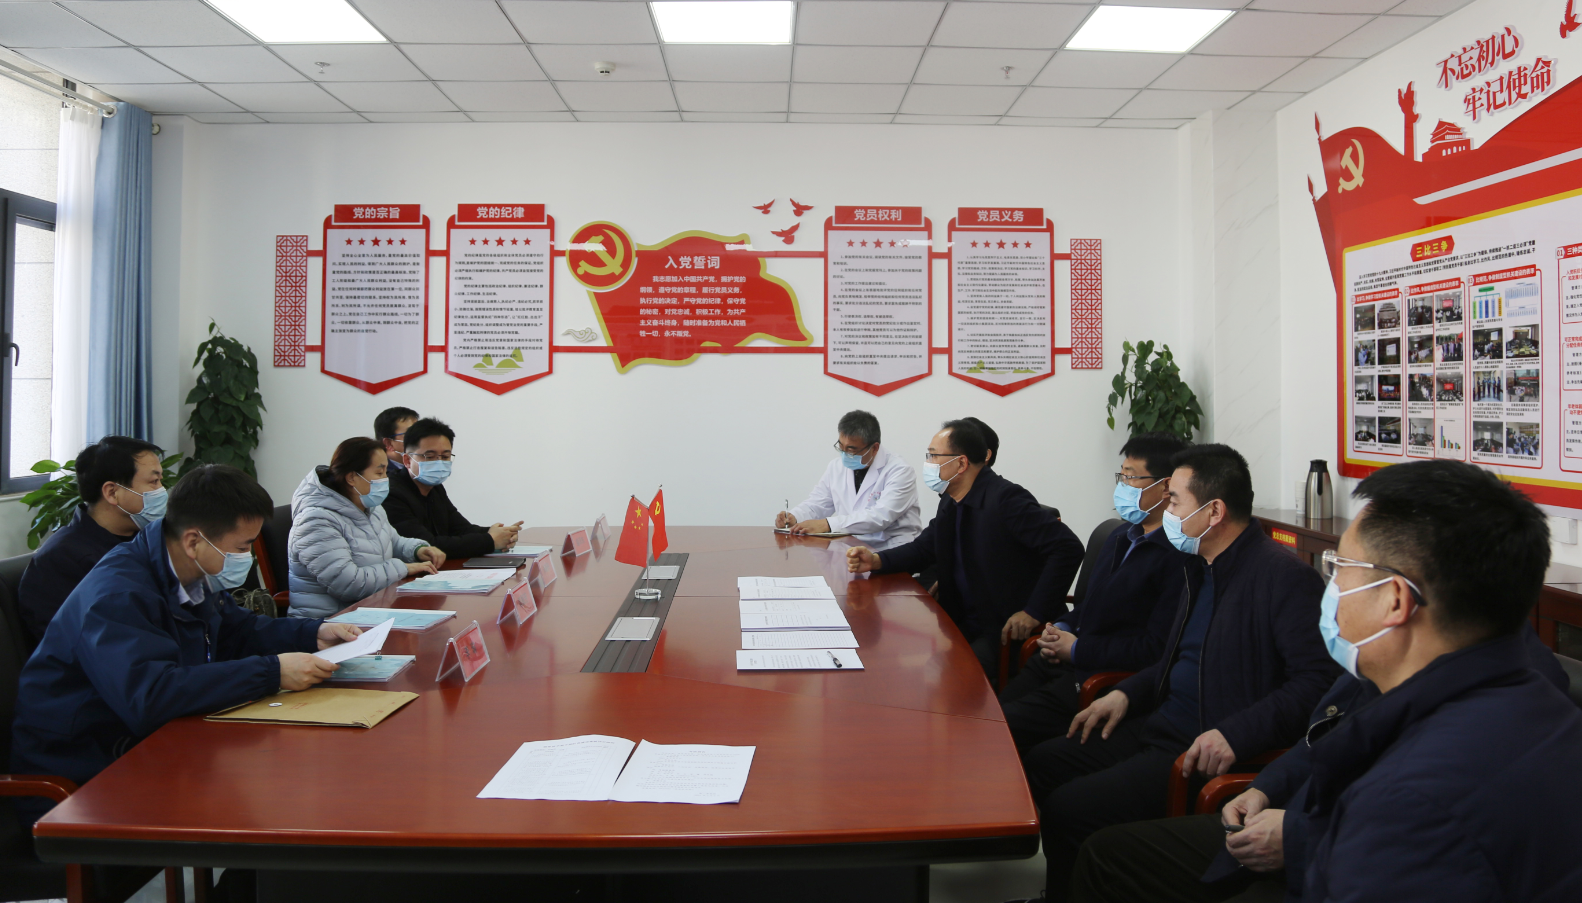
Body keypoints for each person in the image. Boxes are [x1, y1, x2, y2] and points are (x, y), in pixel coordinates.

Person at [1068, 460, 1582, 903]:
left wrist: (1300, 833)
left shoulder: (1410, 801)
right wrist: (1269, 789)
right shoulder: (1496, 686)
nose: (1330, 586)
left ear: (1395, 600)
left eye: (1340, 569)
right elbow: (1326, 738)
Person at [1018, 444, 1340, 903]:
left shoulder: (1282, 576)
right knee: (1043, 763)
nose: (1167, 512)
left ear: (1214, 512)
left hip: (1201, 746)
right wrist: (1127, 693)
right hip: (1158, 720)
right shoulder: (1198, 566)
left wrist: (1235, 734)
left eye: (1174, 501)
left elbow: (1316, 683)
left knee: (1072, 810)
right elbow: (1174, 658)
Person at [10, 464, 365, 812]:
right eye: (242, 547)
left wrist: (313, 633)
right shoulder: (117, 595)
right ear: (194, 540)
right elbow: (150, 697)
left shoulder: (190, 570)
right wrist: (273, 672)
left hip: (153, 744)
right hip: (86, 773)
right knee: (276, 798)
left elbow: (240, 630)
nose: (248, 558)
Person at [846, 419, 1084, 678]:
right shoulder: (951, 499)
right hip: (961, 619)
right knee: (896, 658)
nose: (928, 463)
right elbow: (924, 548)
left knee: (948, 678)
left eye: (933, 456)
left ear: (961, 463)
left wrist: (1034, 612)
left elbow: (1068, 548)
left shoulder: (1006, 499)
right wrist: (877, 560)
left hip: (1000, 628)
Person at [998, 433, 1189, 754]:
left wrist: (1077, 650)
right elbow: (1088, 605)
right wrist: (1062, 627)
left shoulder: (1178, 555)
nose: (1123, 485)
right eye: (1121, 476)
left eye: (1131, 477)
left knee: (1002, 729)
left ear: (1166, 486)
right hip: (1062, 659)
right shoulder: (1120, 536)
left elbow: (1155, 648)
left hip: (1097, 676)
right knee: (986, 715)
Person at [17, 436, 165, 646]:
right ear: (112, 493)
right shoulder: (62, 560)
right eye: (154, 482)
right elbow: (80, 646)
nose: (162, 491)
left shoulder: (146, 541)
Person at [287, 437, 446, 619]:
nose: (386, 479)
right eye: (379, 473)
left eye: (386, 472)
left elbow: (393, 542)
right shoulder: (316, 521)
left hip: (369, 611)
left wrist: (418, 550)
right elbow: (349, 584)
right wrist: (402, 568)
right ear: (352, 477)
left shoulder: (371, 508)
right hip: (328, 622)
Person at [775, 410, 921, 550]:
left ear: (874, 448)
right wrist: (794, 517)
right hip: (850, 547)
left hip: (891, 549)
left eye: (851, 450)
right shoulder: (836, 467)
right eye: (841, 447)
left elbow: (880, 517)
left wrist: (827, 524)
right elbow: (818, 503)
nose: (844, 455)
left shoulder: (900, 471)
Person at [385, 417, 520, 558]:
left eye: (445, 456)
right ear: (407, 460)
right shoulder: (392, 493)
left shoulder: (435, 488)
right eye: (429, 457)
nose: (439, 462)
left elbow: (461, 529)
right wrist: (490, 540)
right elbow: (428, 545)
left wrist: (501, 534)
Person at [374, 405, 418, 472]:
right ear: (389, 443)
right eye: (410, 433)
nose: (419, 438)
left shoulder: (425, 463)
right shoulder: (379, 473)